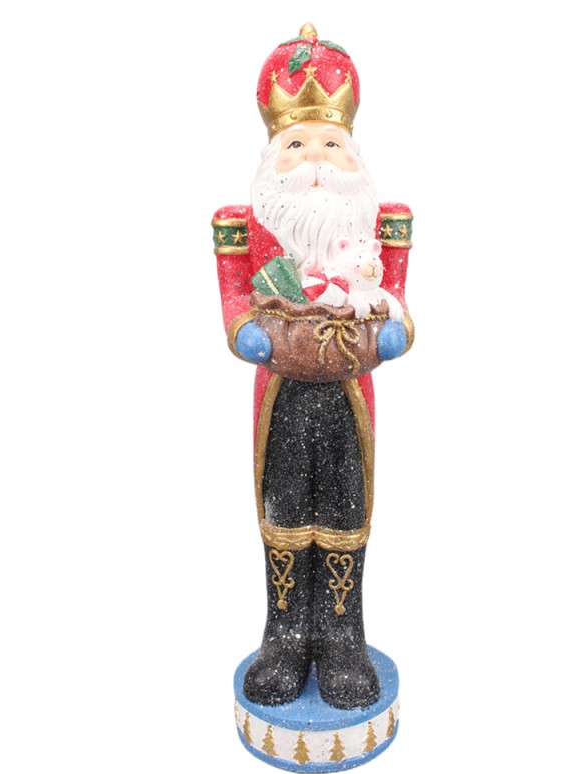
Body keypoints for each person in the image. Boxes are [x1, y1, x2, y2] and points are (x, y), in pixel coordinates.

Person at [212, 24, 414, 710]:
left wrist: (394, 328)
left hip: (348, 392)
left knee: (347, 510)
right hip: (281, 391)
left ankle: (341, 635)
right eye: (296, 145)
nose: (315, 160)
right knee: (283, 511)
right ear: (272, 157)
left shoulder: (379, 221)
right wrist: (246, 330)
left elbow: (396, 298)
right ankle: (286, 634)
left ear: (353, 154)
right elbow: (234, 297)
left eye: (330, 144)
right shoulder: (247, 222)